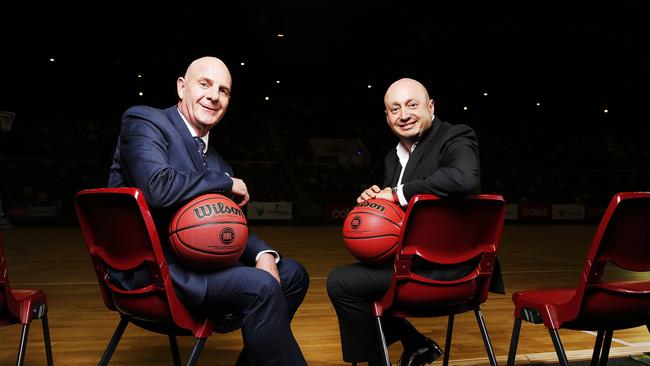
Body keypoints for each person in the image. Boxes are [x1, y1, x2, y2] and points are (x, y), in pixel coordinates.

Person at [107, 56, 309, 366]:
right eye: (205, 84)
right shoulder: (146, 121)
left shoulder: (217, 163)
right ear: (181, 86)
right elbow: (156, 188)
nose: (214, 95)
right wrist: (226, 183)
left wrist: (263, 254)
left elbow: (228, 225)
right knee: (261, 285)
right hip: (154, 274)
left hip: (198, 269)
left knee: (292, 274)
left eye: (224, 90)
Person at [327, 78, 496, 366]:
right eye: (395, 109)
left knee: (343, 283)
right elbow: (395, 217)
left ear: (431, 107)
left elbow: (464, 178)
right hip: (412, 264)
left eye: (412, 105)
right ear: (387, 117)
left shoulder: (455, 136)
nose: (404, 115)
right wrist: (376, 202)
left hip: (452, 271)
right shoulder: (393, 158)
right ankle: (416, 344)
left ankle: (390, 355)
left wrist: (397, 193)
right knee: (356, 280)